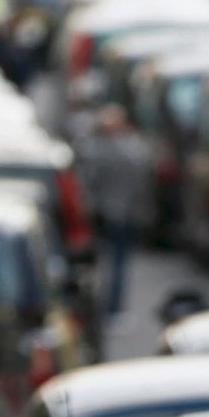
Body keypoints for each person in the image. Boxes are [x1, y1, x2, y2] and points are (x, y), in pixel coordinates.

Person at [79, 105, 152, 319]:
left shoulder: (94, 149)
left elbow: (87, 182)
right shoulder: (134, 149)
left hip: (107, 213)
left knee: (107, 264)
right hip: (123, 213)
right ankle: (113, 308)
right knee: (118, 264)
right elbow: (143, 181)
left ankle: (106, 307)